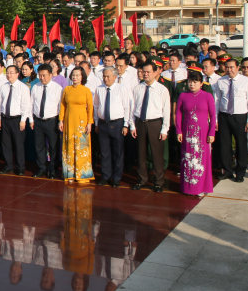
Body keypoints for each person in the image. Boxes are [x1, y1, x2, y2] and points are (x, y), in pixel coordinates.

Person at [174, 71, 217, 197]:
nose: (192, 84)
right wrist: (178, 131)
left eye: (195, 82)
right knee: (187, 158)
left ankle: (202, 187)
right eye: (190, 82)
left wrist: (212, 132)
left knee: (201, 158)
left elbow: (213, 115)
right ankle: (188, 187)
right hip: (187, 131)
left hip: (202, 131)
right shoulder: (183, 95)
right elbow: (179, 114)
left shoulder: (207, 96)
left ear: (201, 83)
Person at [130, 60, 170, 193]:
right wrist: (132, 125)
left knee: (156, 154)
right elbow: (133, 108)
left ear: (155, 72)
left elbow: (166, 111)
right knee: (141, 153)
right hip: (140, 122)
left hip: (155, 123)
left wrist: (165, 129)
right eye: (143, 72)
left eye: (148, 72)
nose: (145, 74)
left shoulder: (162, 89)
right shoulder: (138, 88)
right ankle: (141, 179)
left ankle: (158, 182)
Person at [212, 58, 248, 181]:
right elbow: (217, 100)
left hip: (240, 116)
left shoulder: (246, 81)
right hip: (224, 116)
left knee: (241, 144)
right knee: (225, 144)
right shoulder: (221, 81)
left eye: (232, 67)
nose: (229, 70)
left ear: (237, 68)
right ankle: (227, 170)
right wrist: (215, 119)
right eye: (227, 67)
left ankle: (240, 171)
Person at [93, 67, 130, 187]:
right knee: (104, 152)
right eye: (104, 76)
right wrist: (97, 123)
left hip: (117, 123)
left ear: (115, 77)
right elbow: (96, 107)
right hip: (103, 123)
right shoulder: (99, 89)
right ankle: (105, 176)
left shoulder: (122, 89)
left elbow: (127, 107)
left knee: (117, 152)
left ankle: (116, 177)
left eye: (108, 76)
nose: (105, 78)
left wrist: (126, 124)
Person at [60, 67, 95, 183]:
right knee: (69, 147)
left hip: (82, 122)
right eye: (73, 75)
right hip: (69, 121)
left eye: (78, 75)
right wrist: (61, 120)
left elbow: (90, 108)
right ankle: (70, 174)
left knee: (81, 148)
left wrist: (90, 123)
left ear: (82, 77)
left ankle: (82, 175)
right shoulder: (67, 89)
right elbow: (63, 105)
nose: (75, 77)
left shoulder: (86, 90)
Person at [0, 65, 31, 175]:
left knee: (18, 144)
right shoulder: (3, 87)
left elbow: (26, 105)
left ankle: (20, 167)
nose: (9, 75)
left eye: (11, 73)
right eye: (7, 73)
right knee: (6, 144)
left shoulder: (23, 88)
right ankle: (8, 166)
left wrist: (23, 119)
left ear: (17, 74)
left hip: (17, 120)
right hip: (5, 119)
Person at [31, 64, 63, 179]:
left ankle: (53, 169)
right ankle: (41, 168)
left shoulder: (57, 88)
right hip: (38, 120)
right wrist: (31, 119)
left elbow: (60, 107)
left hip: (52, 121)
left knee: (53, 146)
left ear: (50, 75)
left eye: (44, 75)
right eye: (40, 75)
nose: (42, 77)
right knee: (39, 146)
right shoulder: (36, 87)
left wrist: (60, 121)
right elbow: (31, 104)